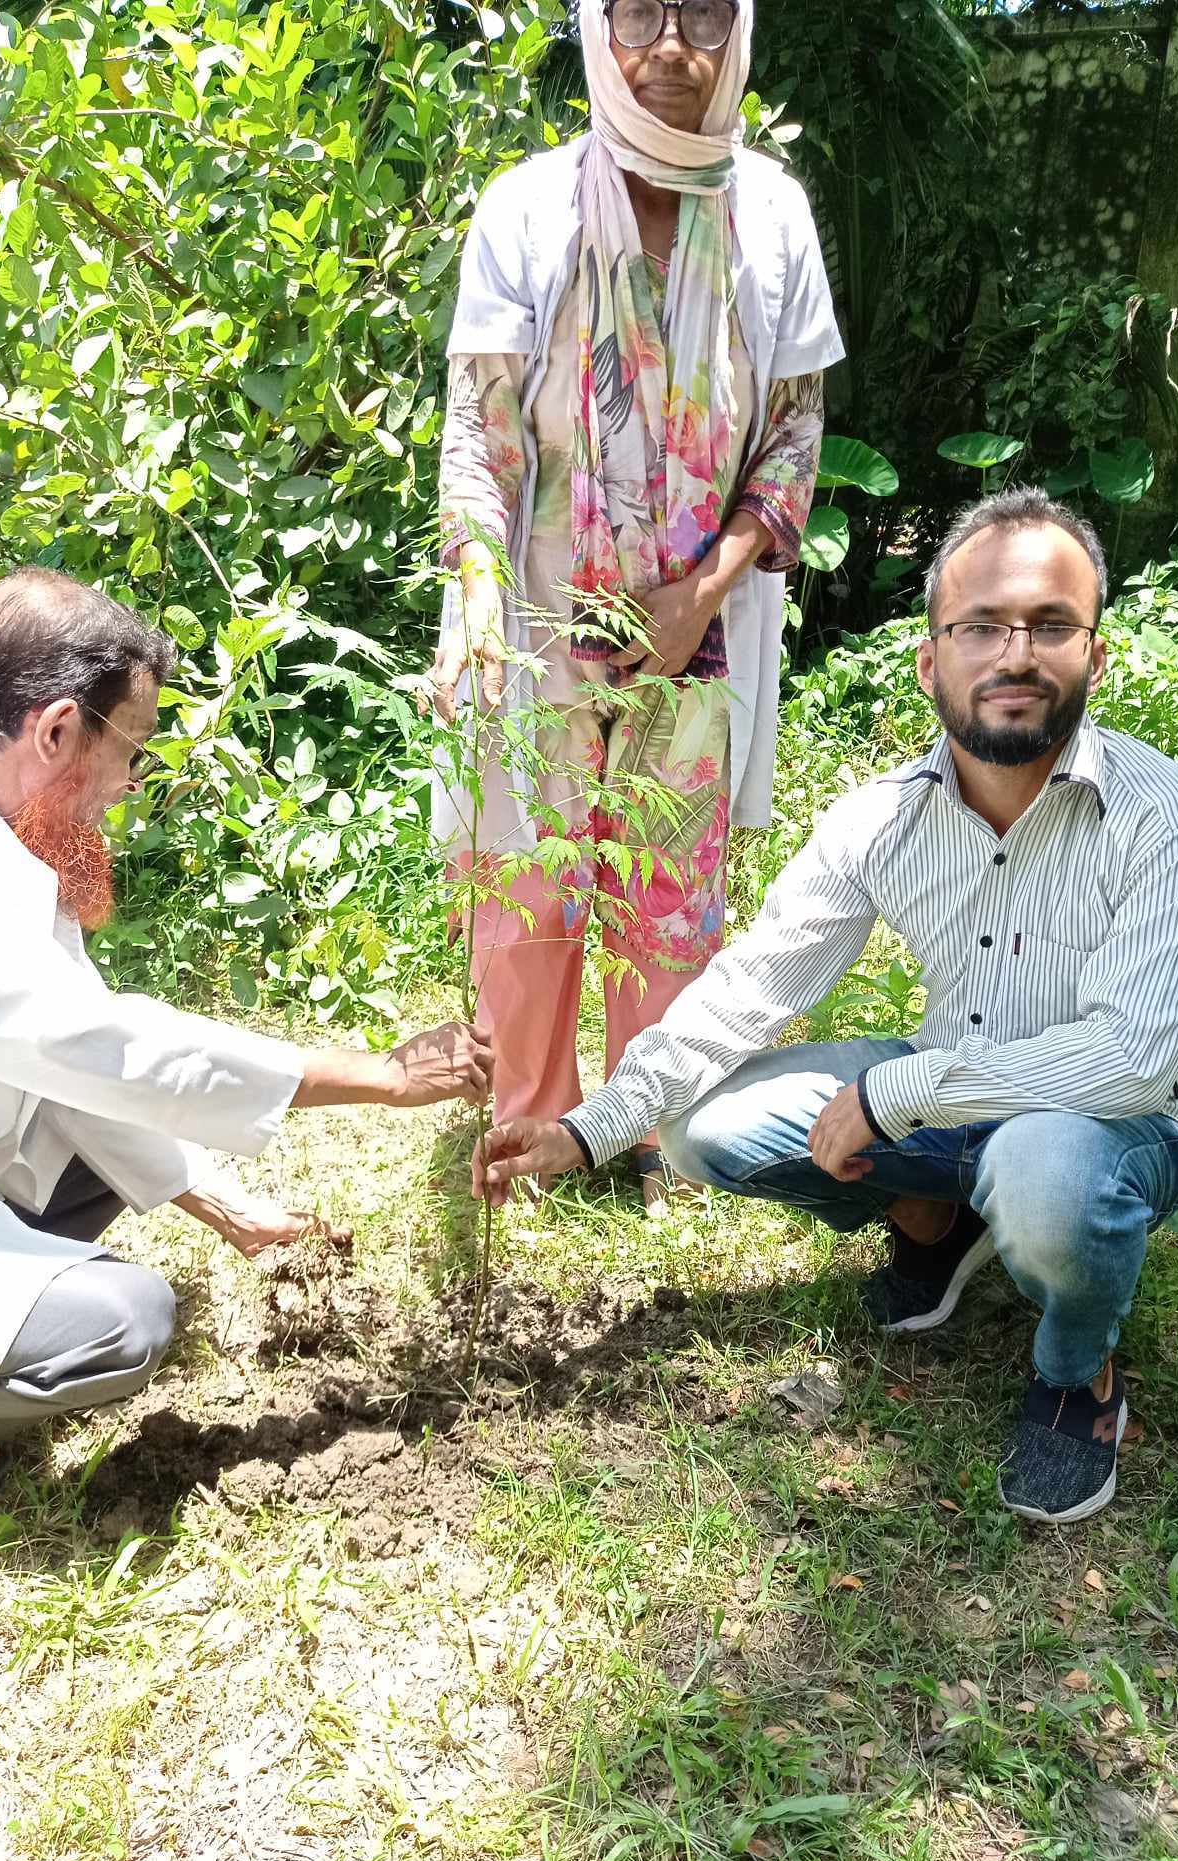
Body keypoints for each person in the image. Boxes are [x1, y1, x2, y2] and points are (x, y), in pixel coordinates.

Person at [474, 490, 1178, 1525]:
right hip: (945, 1106)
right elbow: (748, 988)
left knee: (1045, 1171)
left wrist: (904, 1087)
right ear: (930, 662)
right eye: (979, 626)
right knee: (705, 1127)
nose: (1014, 652)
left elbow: (1132, 1061)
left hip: (1115, 1128)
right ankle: (935, 1220)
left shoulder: (1168, 817)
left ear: (1092, 657)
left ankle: (1073, 1373)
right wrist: (590, 1125)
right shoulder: (879, 818)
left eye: (1049, 624)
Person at [0, 570, 494, 1506]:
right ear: (58, 730)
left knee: (110, 1136)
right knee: (126, 1320)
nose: (130, 784)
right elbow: (92, 1044)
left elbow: (79, 1067)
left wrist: (229, 1211)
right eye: (129, 749)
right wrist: (380, 1076)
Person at [429, 0, 842, 1212]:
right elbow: (480, 431)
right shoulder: (526, 208)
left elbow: (792, 441)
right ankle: (529, 1126)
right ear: (594, 31)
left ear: (741, 34)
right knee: (527, 872)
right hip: (541, 611)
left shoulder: (769, 217)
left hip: (697, 628)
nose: (672, 45)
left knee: (670, 882)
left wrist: (694, 599)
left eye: (704, 12)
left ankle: (648, 1130)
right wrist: (480, 602)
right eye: (638, 14)